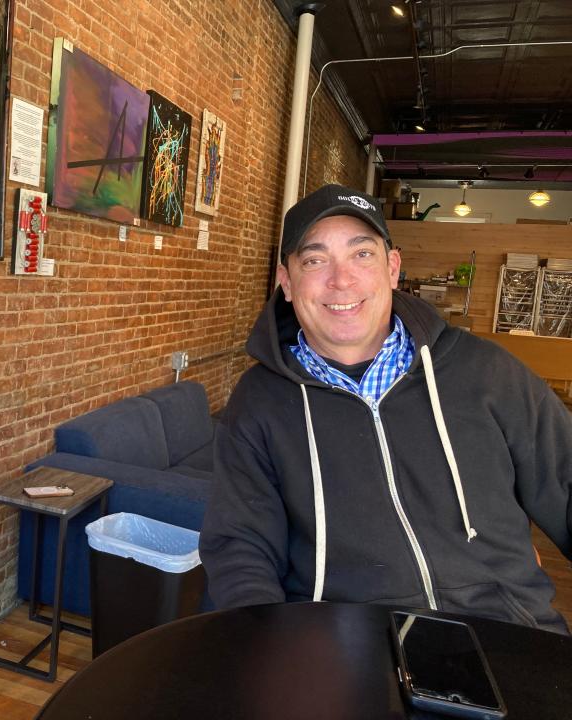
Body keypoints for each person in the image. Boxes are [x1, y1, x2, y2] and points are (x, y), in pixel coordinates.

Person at [199, 184, 572, 634]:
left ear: (392, 268)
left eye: (362, 255)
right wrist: (269, 650)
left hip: (504, 637)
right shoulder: (259, 403)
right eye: (315, 260)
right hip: (342, 647)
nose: (341, 280)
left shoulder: (486, 372)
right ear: (287, 283)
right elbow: (242, 547)